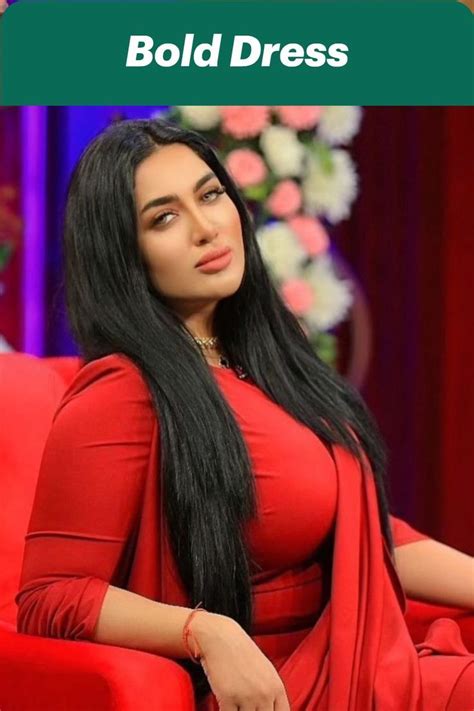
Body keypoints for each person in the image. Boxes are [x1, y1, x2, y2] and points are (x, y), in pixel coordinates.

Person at [16, 118, 473, 710]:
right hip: (281, 688)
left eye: (210, 195)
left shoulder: (267, 360)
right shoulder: (123, 392)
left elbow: (366, 532)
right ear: (125, 255)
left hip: (361, 659)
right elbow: (51, 598)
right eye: (165, 217)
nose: (207, 227)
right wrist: (205, 631)